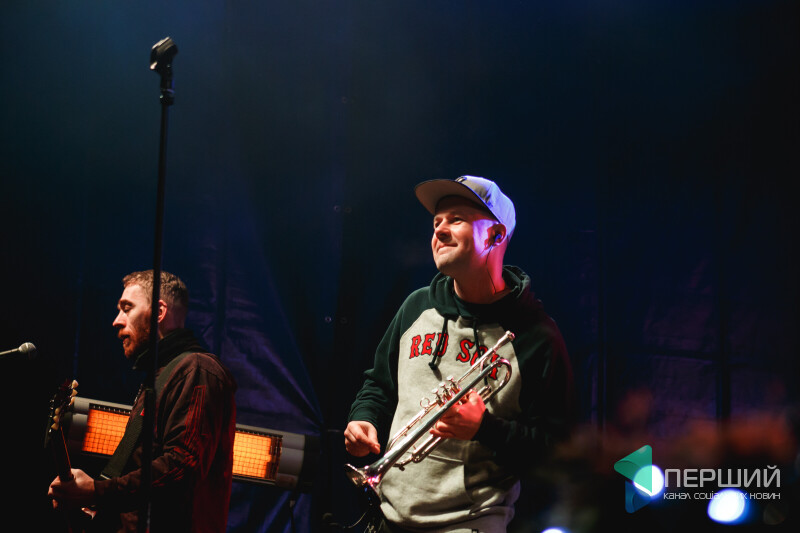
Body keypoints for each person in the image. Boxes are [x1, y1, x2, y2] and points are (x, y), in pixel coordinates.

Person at [345, 176, 575, 532]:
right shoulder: (416, 307)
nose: (439, 231)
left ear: (495, 235)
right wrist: (364, 419)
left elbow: (558, 450)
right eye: (436, 222)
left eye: (456, 220)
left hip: (470, 523)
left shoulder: (537, 337)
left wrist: (485, 428)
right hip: (389, 517)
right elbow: (378, 386)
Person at [48, 270, 237, 532]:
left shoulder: (197, 370)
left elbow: (182, 468)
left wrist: (97, 491)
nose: (116, 321)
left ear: (159, 312)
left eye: (127, 308)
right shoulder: (160, 377)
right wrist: (95, 502)